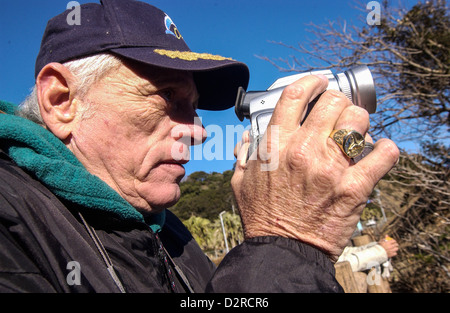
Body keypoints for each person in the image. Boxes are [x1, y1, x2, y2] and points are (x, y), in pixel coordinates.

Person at [0, 0, 399, 293]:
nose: (199, 132)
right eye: (167, 96)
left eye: (193, 108)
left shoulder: (173, 236)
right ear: (62, 100)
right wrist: (287, 244)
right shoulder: (10, 218)